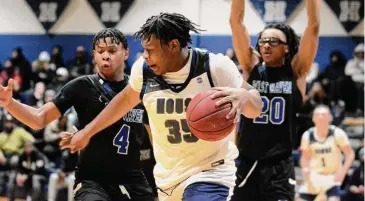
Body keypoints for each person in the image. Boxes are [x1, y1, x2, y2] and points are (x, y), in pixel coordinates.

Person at [61, 13, 262, 201]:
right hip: (168, 178)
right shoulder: (144, 70)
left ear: (173, 45)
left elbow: (256, 107)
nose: (145, 56)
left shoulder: (214, 67)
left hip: (210, 171)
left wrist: (244, 96)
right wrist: (87, 132)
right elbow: (122, 103)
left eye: (150, 50)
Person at [0, 28, 155, 201]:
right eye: (100, 51)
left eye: (112, 51)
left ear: (126, 53)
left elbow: (155, 137)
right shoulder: (81, 86)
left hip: (133, 178)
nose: (106, 56)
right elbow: (39, 118)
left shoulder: (138, 90)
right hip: (92, 180)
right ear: (94, 55)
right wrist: (10, 103)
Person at [229, 0, 320, 200]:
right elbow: (236, 22)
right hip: (247, 160)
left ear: (286, 48)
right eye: (263, 41)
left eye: (273, 41)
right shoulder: (251, 66)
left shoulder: (297, 71)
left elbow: (313, 27)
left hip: (280, 164)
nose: (266, 45)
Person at [298, 105, 355, 201]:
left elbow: (350, 154)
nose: (320, 117)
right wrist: (305, 170)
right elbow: (305, 157)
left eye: (324, 115)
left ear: (330, 117)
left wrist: (342, 172)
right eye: (317, 115)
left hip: (332, 177)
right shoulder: (307, 135)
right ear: (313, 118)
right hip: (314, 176)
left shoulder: (337, 133)